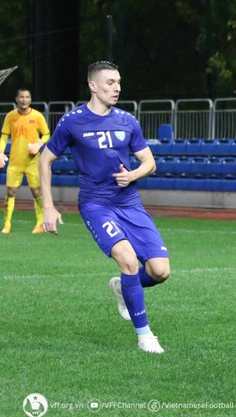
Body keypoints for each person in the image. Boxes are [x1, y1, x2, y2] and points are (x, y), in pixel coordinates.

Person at [38, 61, 170, 354]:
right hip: (96, 203)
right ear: (93, 86)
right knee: (127, 259)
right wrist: (48, 207)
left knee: (160, 271)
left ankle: (123, 288)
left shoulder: (127, 120)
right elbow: (44, 160)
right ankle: (145, 336)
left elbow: (149, 162)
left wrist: (133, 175)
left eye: (119, 82)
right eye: (110, 82)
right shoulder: (72, 121)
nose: (117, 88)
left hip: (130, 203)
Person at [0, 88, 51, 234]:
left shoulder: (37, 116)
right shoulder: (10, 116)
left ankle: (39, 224)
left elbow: (47, 134)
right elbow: (4, 136)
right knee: (10, 191)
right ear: (16, 99)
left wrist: (38, 145)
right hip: (15, 161)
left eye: (27, 97)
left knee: (36, 192)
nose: (24, 100)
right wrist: (0, 152)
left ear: (30, 99)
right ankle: (7, 224)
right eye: (21, 97)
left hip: (32, 162)